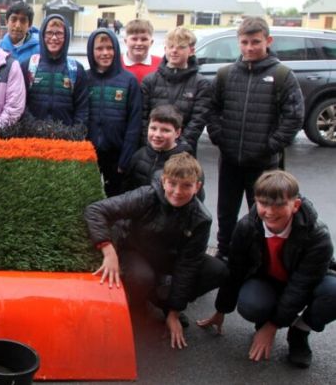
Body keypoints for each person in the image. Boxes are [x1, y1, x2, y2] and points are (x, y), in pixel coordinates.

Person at [86, 153, 227, 349]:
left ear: (197, 187)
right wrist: (108, 251)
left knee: (217, 270)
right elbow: (96, 210)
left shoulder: (201, 218)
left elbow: (188, 265)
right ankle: (138, 303)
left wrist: (174, 312)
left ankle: (163, 302)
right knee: (142, 277)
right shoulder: (146, 195)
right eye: (172, 184)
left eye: (186, 185)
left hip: (169, 258)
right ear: (163, 181)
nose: (177, 191)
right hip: (136, 251)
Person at [198, 171, 336, 369]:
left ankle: (299, 332)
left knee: (334, 292)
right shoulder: (246, 227)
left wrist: (273, 326)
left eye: (278, 205)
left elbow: (301, 286)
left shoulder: (317, 236)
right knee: (251, 304)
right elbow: (236, 271)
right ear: (256, 201)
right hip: (267, 281)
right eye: (263, 204)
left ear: (295, 205)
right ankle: (261, 321)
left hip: (305, 284)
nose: (269, 212)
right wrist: (221, 310)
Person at [207, 17, 304, 259]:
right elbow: (211, 109)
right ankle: (224, 254)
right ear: (238, 42)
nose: (250, 47)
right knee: (226, 213)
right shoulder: (226, 74)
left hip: (263, 164)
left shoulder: (282, 75)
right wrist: (220, 137)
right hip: (229, 159)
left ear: (268, 41)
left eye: (256, 42)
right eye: (245, 42)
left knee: (264, 213)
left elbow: (294, 117)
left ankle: (259, 258)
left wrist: (270, 146)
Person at [85, 28, 142, 197]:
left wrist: (126, 158)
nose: (105, 53)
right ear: (91, 51)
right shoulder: (85, 78)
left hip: (117, 155)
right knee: (89, 199)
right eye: (99, 49)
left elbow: (134, 123)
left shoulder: (128, 80)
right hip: (89, 152)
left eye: (109, 48)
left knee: (115, 201)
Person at [140, 26, 212, 154]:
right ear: (165, 49)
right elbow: (142, 116)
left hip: (183, 151)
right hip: (151, 150)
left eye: (181, 47)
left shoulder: (201, 84)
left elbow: (198, 120)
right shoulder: (150, 81)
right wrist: (150, 142)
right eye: (171, 46)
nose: (174, 51)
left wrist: (178, 146)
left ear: (191, 51)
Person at [22, 14, 89, 127]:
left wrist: (74, 133)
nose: (53, 38)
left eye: (59, 33)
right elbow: (21, 104)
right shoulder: (28, 65)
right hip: (33, 137)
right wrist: (33, 127)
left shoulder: (76, 69)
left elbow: (82, 109)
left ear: (66, 37)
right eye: (49, 33)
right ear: (42, 36)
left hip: (66, 138)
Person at [124, 105, 194, 192]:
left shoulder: (186, 162)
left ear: (177, 133)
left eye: (165, 130)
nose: (157, 135)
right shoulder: (138, 155)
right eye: (153, 128)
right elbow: (126, 189)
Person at [0, 1, 40, 67]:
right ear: (6, 22)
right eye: (14, 19)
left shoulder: (39, 50)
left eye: (23, 20)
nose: (17, 25)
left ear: (30, 25)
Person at [121, 19, 161, 83]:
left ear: (151, 42)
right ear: (125, 41)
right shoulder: (116, 63)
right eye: (134, 39)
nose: (139, 43)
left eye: (144, 39)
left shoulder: (161, 65)